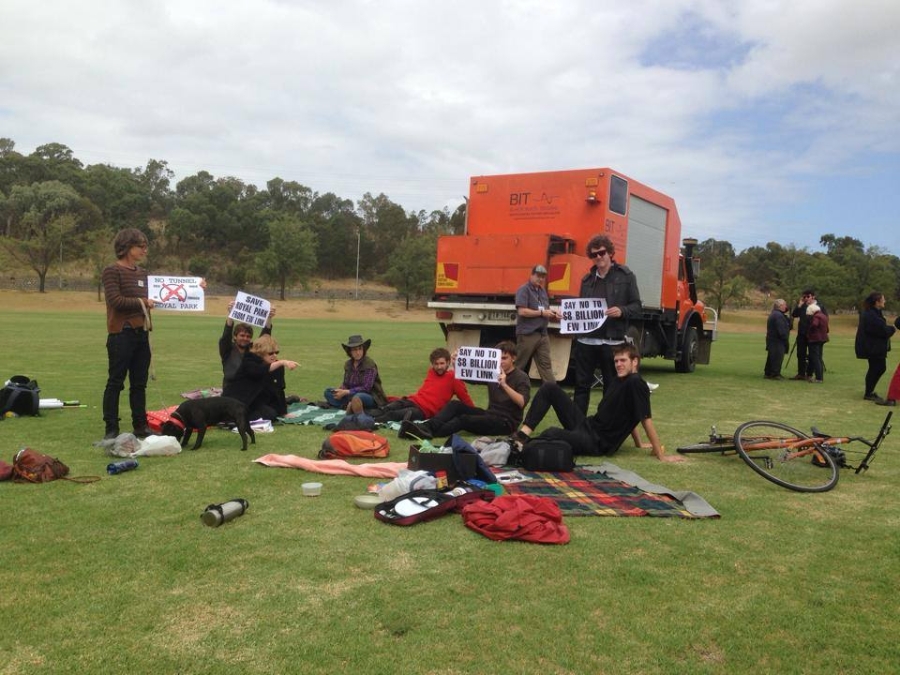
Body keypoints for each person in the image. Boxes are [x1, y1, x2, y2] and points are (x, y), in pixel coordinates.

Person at [514, 344, 682, 462]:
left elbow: (645, 418)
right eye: (616, 361)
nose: (618, 364)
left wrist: (660, 454)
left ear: (635, 361)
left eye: (623, 360)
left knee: (552, 433)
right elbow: (631, 416)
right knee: (550, 387)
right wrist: (638, 444)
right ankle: (522, 436)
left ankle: (519, 448)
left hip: (596, 442)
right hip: (586, 425)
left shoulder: (636, 383)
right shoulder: (619, 380)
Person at [399, 341, 530, 439]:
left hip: (506, 422)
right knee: (455, 405)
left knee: (464, 420)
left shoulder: (521, 377)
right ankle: (427, 427)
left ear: (513, 358)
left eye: (504, 358)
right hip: (490, 414)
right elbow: (471, 377)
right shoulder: (493, 372)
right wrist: (457, 363)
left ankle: (428, 433)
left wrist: (504, 385)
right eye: (498, 358)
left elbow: (522, 402)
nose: (500, 362)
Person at [573, 235, 642, 414]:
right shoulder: (586, 280)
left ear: (610, 253)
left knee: (611, 387)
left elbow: (637, 306)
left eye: (602, 253)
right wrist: (566, 316)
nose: (598, 257)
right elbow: (580, 309)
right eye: (594, 255)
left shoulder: (626, 276)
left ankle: (604, 425)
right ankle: (576, 427)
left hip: (612, 341)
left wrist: (622, 310)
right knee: (581, 386)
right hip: (586, 341)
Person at [101, 228, 156, 440]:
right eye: (140, 246)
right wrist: (142, 302)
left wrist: (196, 287)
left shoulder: (143, 274)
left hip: (143, 334)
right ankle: (111, 429)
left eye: (145, 246)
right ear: (127, 247)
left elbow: (165, 293)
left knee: (139, 384)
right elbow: (116, 300)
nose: (144, 250)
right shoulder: (111, 271)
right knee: (116, 382)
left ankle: (140, 426)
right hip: (121, 334)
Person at [370, 348, 474, 422]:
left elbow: (465, 399)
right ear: (432, 364)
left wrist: (476, 413)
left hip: (423, 411)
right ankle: (360, 415)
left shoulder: (454, 378)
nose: (439, 367)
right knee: (389, 407)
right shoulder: (431, 372)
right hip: (413, 400)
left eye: (442, 363)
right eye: (436, 364)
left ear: (448, 363)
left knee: (394, 414)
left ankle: (367, 422)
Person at [223, 335, 298, 421]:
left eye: (276, 353)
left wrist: (284, 412)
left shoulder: (277, 366)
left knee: (274, 412)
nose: (274, 356)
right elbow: (258, 371)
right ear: (260, 353)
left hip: (257, 399)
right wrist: (282, 362)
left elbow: (279, 389)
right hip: (238, 399)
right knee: (270, 415)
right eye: (270, 353)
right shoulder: (249, 360)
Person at [515, 264, 559, 383]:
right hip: (527, 334)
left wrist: (555, 314)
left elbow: (546, 310)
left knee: (546, 366)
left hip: (542, 334)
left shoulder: (542, 291)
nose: (540, 279)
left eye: (543, 277)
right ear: (532, 275)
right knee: (519, 365)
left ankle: (553, 394)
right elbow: (522, 311)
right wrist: (541, 313)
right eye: (538, 276)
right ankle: (506, 390)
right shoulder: (524, 289)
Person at [321, 334, 387, 413]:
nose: (358, 352)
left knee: (357, 397)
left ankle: (350, 405)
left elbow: (366, 388)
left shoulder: (369, 364)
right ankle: (350, 406)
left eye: (360, 349)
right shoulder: (348, 364)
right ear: (350, 351)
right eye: (355, 350)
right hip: (350, 395)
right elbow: (346, 383)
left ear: (363, 350)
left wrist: (346, 392)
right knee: (328, 392)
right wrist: (340, 391)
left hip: (370, 396)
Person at [219, 301, 274, 389]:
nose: (245, 338)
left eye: (248, 336)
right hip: (231, 389)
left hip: (250, 389)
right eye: (242, 335)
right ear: (235, 336)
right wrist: (231, 313)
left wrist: (269, 318)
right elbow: (226, 334)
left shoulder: (253, 349)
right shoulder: (228, 349)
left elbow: (265, 337)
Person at [856, 292, 897, 403]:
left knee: (877, 368)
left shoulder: (875, 313)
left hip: (875, 346)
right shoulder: (870, 315)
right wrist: (893, 328)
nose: (885, 301)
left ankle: (869, 391)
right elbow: (881, 330)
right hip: (872, 347)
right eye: (883, 299)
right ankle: (868, 393)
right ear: (877, 302)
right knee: (877, 368)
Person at [790, 289, 827, 380]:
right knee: (800, 353)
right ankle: (801, 373)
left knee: (812, 355)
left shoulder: (819, 306)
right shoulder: (802, 306)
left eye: (808, 296)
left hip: (813, 334)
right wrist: (799, 305)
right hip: (802, 333)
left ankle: (810, 374)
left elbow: (824, 319)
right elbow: (794, 315)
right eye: (804, 297)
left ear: (813, 296)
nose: (806, 298)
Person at [764, 299, 791, 379]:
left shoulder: (774, 314)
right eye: (784, 305)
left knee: (771, 356)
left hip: (772, 339)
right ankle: (775, 373)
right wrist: (784, 337)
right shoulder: (778, 316)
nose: (786, 307)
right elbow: (781, 329)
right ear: (780, 306)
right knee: (777, 356)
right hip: (777, 340)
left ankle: (768, 372)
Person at [805, 304, 828, 383]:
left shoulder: (816, 317)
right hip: (822, 339)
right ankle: (819, 376)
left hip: (815, 339)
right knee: (819, 357)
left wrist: (809, 331)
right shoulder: (824, 316)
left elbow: (814, 324)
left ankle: (818, 378)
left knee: (815, 358)